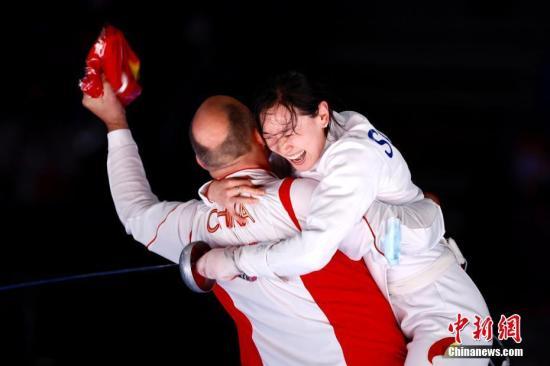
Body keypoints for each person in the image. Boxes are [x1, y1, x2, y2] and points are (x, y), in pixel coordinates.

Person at [82, 79, 409, 365]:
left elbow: (134, 213)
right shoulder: (308, 195)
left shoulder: (193, 226)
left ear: (200, 160)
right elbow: (395, 237)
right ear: (260, 135)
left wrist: (115, 122)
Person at [197, 71, 491, 365]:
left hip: (442, 309)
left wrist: (234, 261)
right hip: (397, 309)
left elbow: (311, 252)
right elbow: (262, 169)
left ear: (322, 114)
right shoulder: (314, 137)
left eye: (288, 133)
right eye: (271, 136)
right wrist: (214, 189)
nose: (282, 147)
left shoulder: (353, 158)